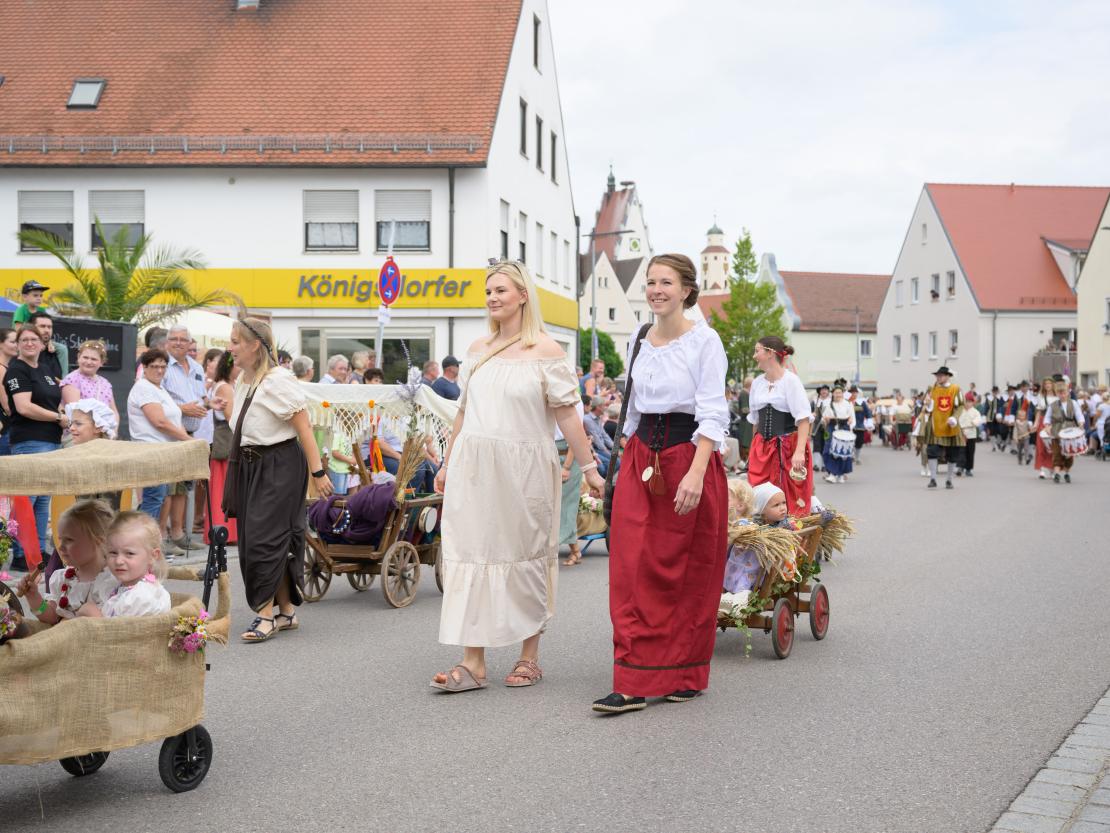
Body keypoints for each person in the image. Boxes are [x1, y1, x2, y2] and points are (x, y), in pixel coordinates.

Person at [432, 259, 602, 693]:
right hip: (473, 467)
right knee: (470, 554)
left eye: (501, 291)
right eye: (488, 291)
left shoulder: (547, 351)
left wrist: (589, 467)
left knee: (526, 554)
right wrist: (448, 464)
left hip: (525, 469)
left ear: (523, 295)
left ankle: (530, 656)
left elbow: (567, 415)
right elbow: (464, 414)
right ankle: (473, 663)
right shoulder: (476, 349)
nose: (492, 298)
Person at [594, 252, 729, 715]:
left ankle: (685, 673)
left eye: (665, 282)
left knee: (685, 570)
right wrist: (616, 467)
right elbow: (630, 412)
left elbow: (713, 413)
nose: (656, 289)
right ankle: (631, 679)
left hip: (687, 458)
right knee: (630, 566)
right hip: (640, 458)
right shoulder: (637, 338)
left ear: (687, 290)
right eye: (650, 282)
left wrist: (695, 471)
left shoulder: (705, 342)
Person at [227, 317, 333, 643]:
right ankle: (286, 610)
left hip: (279, 465)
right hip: (250, 466)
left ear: (254, 344)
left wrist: (318, 473)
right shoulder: (243, 381)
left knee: (263, 540)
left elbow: (304, 428)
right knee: (261, 539)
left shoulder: (277, 380)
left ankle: (265, 615)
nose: (229, 348)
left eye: (234, 341)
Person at [4, 326, 68, 553]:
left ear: (42, 344)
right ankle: (21, 552)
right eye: (24, 340)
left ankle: (37, 550)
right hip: (30, 440)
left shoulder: (45, 369)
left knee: (42, 501)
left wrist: (62, 412)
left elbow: (54, 399)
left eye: (34, 339)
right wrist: (58, 417)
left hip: (52, 440)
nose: (30, 343)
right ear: (18, 345)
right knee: (27, 499)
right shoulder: (16, 371)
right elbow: (24, 407)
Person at [746, 336, 813, 516]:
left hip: (788, 447)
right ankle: (764, 540)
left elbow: (804, 419)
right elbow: (755, 422)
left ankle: (790, 539)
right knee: (759, 494)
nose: (754, 355)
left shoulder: (790, 381)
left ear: (770, 353)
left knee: (789, 496)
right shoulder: (757, 383)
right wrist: (753, 450)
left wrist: (799, 452)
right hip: (762, 448)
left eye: (757, 350)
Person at [18, 499, 114, 625]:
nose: (61, 546)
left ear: (98, 541)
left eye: (69, 540)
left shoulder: (113, 583)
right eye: (60, 539)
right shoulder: (61, 578)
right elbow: (51, 617)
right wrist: (34, 597)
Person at [161, 326, 213, 551]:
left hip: (190, 434)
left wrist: (211, 404)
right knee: (168, 488)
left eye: (183, 340)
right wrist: (184, 409)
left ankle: (179, 534)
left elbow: (201, 398)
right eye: (174, 339)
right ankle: (162, 536)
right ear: (166, 342)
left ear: (190, 343)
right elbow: (156, 402)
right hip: (169, 434)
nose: (179, 343)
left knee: (184, 486)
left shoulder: (196, 367)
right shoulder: (160, 366)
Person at [127, 349, 190, 531]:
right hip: (151, 452)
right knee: (153, 500)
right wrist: (188, 440)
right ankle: (143, 545)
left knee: (158, 499)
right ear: (144, 367)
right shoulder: (144, 387)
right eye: (154, 366)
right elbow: (160, 421)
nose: (160, 370)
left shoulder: (159, 388)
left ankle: (147, 546)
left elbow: (173, 419)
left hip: (163, 453)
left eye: (163, 366)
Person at [77, 512, 171, 618]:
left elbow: (117, 632)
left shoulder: (141, 597)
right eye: (113, 552)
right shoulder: (118, 585)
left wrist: (91, 612)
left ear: (152, 556)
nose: (118, 561)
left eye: (129, 553)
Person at [205, 349, 238, 546]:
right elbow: (230, 417)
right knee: (223, 486)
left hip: (224, 441)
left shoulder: (226, 385)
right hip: (225, 442)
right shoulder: (225, 387)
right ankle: (222, 529)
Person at [921, 366, 965, 489]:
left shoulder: (955, 389)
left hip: (950, 424)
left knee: (952, 453)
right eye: (937, 375)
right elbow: (927, 404)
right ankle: (933, 479)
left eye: (941, 375)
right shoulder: (932, 388)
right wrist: (928, 404)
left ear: (947, 376)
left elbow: (961, 405)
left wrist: (955, 418)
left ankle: (949, 480)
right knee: (932, 451)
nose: (938, 377)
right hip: (935, 424)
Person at [60, 340, 119, 430]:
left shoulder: (105, 383)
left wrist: (113, 432)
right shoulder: (72, 380)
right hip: (79, 436)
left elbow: (113, 411)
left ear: (102, 362)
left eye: (93, 359)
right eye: (85, 357)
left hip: (104, 435)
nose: (88, 362)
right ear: (79, 357)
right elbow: (77, 413)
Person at [556, 399, 587, 567]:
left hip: (568, 458)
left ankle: (575, 550)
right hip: (550, 454)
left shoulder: (575, 402)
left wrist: (567, 467)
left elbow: (576, 437)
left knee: (566, 504)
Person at [1044, 384, 1085, 483]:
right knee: (1057, 453)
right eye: (1060, 393)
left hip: (1070, 431)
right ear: (1057, 393)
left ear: (1068, 392)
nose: (1062, 395)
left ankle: (1067, 473)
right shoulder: (1053, 405)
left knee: (1069, 454)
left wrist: (1081, 423)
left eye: (1064, 392)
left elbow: (1079, 415)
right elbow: (1047, 418)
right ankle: (1057, 474)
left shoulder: (1073, 403)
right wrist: (1047, 426)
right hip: (1056, 431)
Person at [819, 385, 854, 484]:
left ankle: (841, 474)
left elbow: (851, 417)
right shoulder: (828, 404)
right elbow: (823, 419)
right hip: (831, 428)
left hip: (844, 428)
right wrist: (825, 420)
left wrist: (851, 421)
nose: (838, 394)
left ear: (843, 393)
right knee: (828, 450)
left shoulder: (847, 404)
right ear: (832, 393)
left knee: (843, 452)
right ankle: (832, 473)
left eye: (840, 392)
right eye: (836, 392)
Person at [1031, 377, 1057, 480]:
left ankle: (1052, 469)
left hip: (1054, 422)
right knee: (1041, 445)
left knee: (1052, 446)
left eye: (1049, 383)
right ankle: (1041, 470)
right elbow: (1038, 411)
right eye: (1046, 384)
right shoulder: (1041, 396)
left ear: (1053, 385)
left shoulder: (1057, 397)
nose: (1047, 385)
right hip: (1042, 421)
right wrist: (1035, 423)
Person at [583, 396, 614, 475]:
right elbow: (596, 439)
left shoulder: (598, 418)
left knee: (615, 461)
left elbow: (604, 435)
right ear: (598, 407)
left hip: (599, 448)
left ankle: (607, 482)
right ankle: (605, 483)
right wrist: (605, 450)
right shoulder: (587, 420)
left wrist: (614, 447)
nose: (605, 408)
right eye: (603, 405)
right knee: (611, 463)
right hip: (596, 449)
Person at [0, 327, 18, 457]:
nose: (17, 345)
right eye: (13, 342)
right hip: (4, 429)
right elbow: (7, 406)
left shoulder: (7, 368)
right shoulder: (1, 369)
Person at [957, 400, 983, 477]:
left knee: (970, 451)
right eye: (966, 402)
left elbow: (978, 419)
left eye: (969, 402)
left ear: (972, 403)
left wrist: (974, 422)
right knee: (961, 451)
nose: (967, 404)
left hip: (971, 433)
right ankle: (960, 467)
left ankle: (968, 469)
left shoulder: (975, 411)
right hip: (961, 432)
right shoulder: (960, 410)